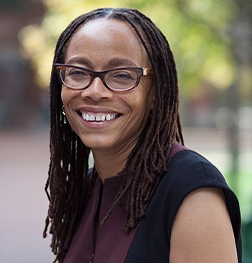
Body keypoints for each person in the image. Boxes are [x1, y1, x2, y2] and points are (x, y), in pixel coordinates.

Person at [43, 7, 242, 263]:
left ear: (155, 93)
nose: (94, 91)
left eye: (122, 75)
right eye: (78, 73)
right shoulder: (85, 189)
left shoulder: (191, 192)